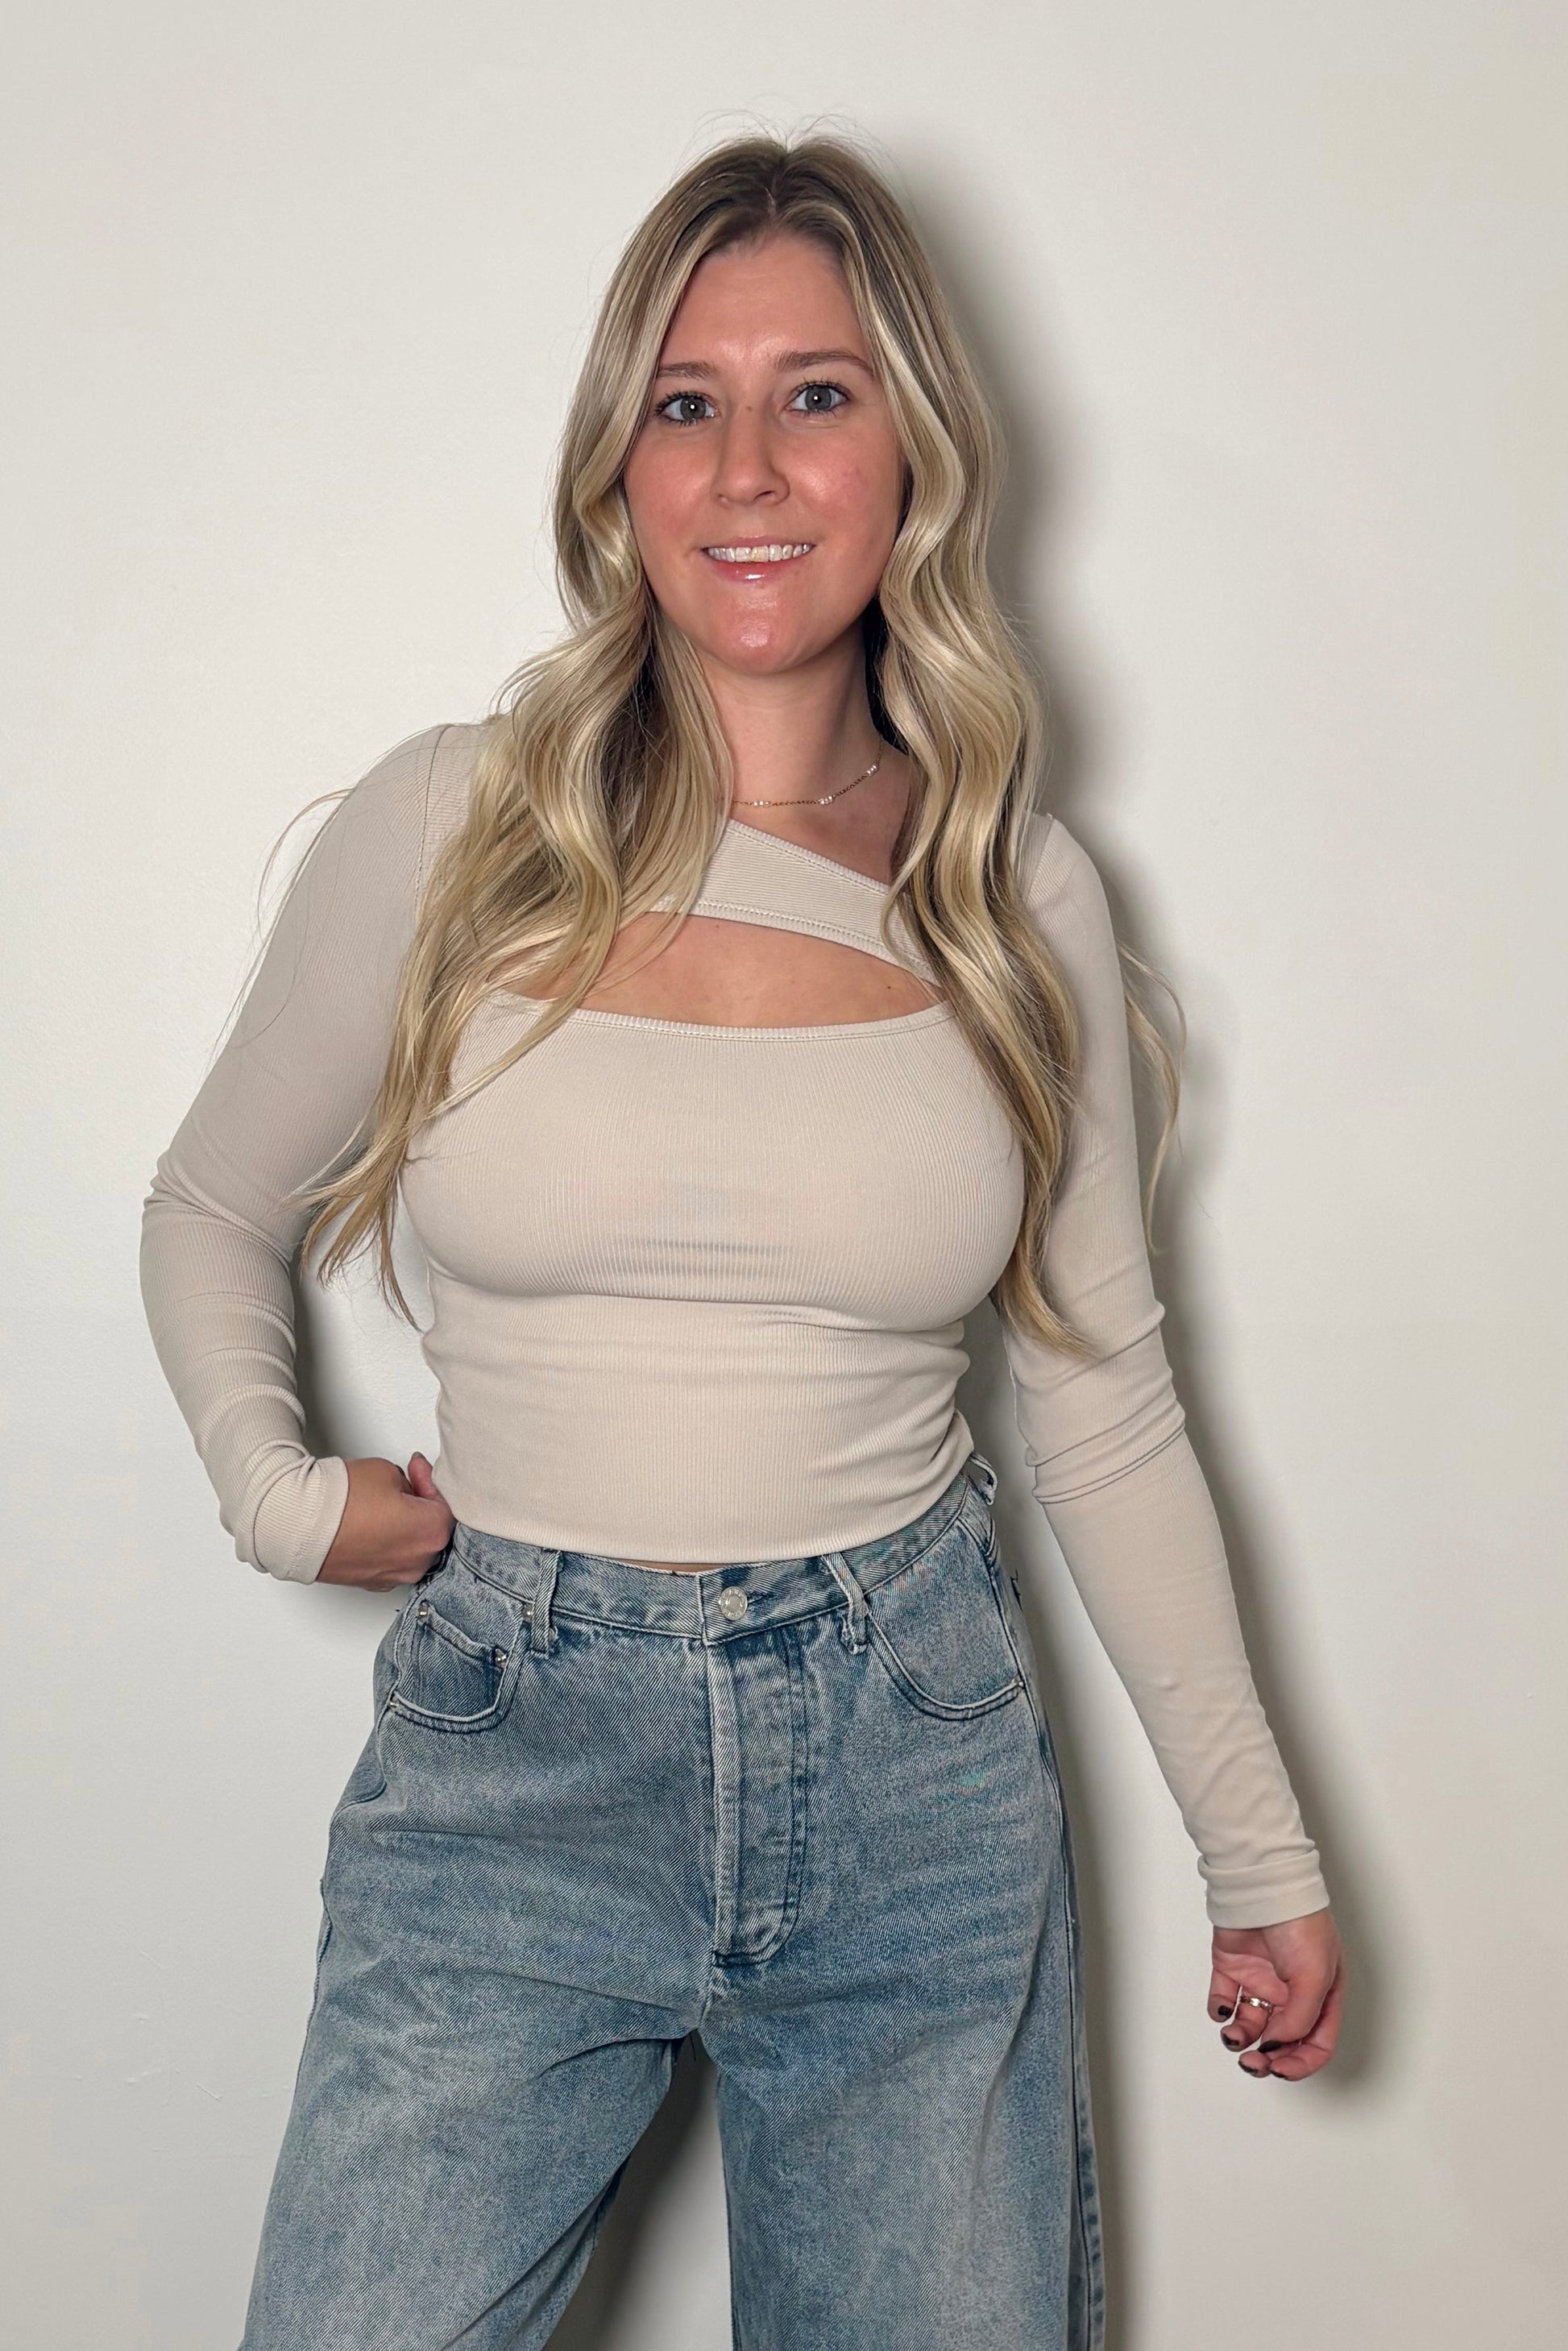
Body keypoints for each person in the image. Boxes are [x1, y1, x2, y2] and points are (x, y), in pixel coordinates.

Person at [139, 132, 1343, 2351]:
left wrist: (1257, 1856)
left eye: (817, 391)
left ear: (912, 452)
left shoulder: (1014, 898)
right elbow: (211, 1205)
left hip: (914, 1761)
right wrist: (277, 1492)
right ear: (617, 471)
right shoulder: (454, 825)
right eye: (684, 401)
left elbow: (1098, 1408)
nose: (747, 467)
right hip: (509, 1756)